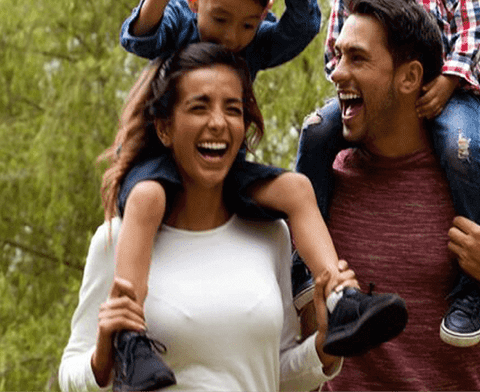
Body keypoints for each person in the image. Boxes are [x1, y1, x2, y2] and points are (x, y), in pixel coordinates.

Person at [111, 0, 407, 388]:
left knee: (295, 189)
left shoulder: (253, 43)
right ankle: (130, 338)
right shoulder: (182, 25)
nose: (231, 39)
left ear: (262, 15)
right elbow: (139, 38)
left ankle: (339, 298)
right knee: (146, 198)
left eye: (247, 25)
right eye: (220, 19)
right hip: (159, 164)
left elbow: (303, 27)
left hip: (225, 170)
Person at [313, 0, 480, 391]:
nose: (337, 72)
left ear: (410, 77)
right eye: (339, 55)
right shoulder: (324, 179)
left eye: (357, 58)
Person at [58, 42, 357, 391]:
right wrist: (101, 359)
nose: (218, 123)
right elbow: (70, 375)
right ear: (165, 129)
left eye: (232, 109)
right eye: (199, 107)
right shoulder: (117, 239)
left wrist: (324, 349)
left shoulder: (270, 234)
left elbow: (276, 373)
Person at [296, 0, 480, 347]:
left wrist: (446, 80)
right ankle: (301, 260)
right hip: (375, 100)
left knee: (460, 149)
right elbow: (333, 57)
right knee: (316, 132)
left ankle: (474, 284)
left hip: (450, 93)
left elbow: (471, 29)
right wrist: (352, 83)